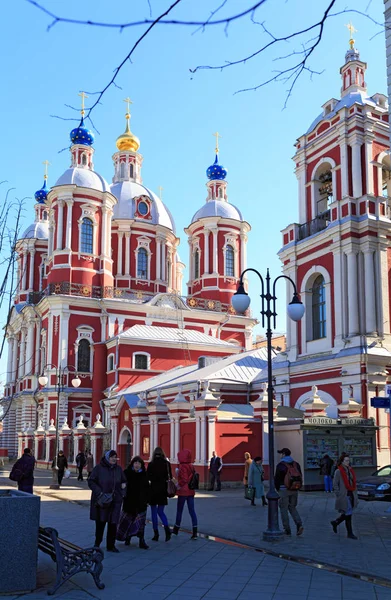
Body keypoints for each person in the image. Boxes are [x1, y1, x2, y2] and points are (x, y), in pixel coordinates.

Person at [88, 450, 127, 552]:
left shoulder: (118, 469)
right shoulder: (99, 469)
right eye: (112, 457)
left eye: (115, 457)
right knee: (101, 523)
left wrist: (123, 490)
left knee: (113, 523)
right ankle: (97, 543)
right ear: (106, 457)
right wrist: (99, 492)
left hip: (115, 501)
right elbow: (91, 481)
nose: (114, 459)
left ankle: (111, 545)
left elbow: (124, 481)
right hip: (103, 501)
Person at [116, 455, 150, 550]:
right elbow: (121, 484)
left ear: (141, 465)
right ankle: (128, 537)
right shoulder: (127, 473)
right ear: (132, 464)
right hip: (129, 501)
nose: (137, 465)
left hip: (141, 502)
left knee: (140, 523)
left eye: (139, 463)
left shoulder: (144, 474)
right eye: (135, 463)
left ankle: (141, 540)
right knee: (128, 521)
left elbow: (147, 488)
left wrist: (147, 500)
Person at [275, 448, 304, 536]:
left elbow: (277, 479)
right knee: (292, 507)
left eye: (281, 453)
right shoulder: (296, 464)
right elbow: (300, 475)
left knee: (283, 509)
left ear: (283, 454)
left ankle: (287, 529)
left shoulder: (281, 465)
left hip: (284, 490)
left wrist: (277, 489)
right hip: (294, 489)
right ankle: (299, 524)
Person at [330, 453, 358, 540]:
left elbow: (353, 482)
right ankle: (350, 533)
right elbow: (335, 484)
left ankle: (336, 522)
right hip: (344, 495)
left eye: (348, 460)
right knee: (348, 513)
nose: (348, 462)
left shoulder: (350, 470)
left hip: (351, 493)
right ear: (342, 461)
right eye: (346, 460)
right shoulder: (338, 471)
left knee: (347, 513)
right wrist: (338, 494)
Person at [147, 447, 172, 542]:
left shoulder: (151, 464)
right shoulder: (167, 464)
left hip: (153, 490)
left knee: (153, 512)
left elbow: (147, 477)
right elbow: (170, 476)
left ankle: (156, 534)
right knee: (160, 511)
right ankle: (167, 530)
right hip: (163, 490)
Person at [171, 449, 198, 539]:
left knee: (179, 510)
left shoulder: (182, 466)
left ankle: (176, 529)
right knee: (192, 511)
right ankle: (195, 531)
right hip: (191, 490)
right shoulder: (191, 466)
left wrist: (178, 485)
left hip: (183, 491)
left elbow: (184, 479)